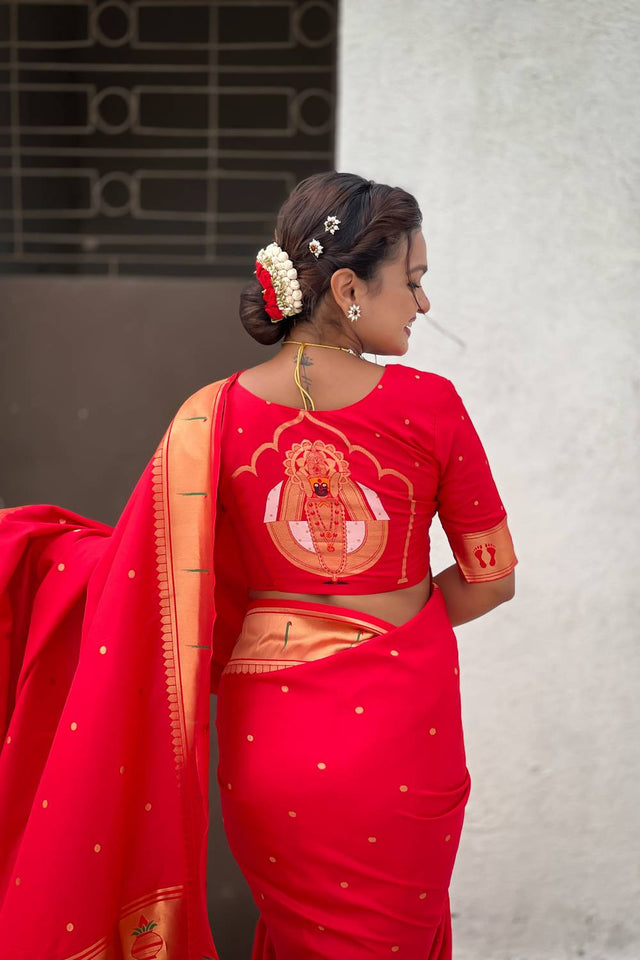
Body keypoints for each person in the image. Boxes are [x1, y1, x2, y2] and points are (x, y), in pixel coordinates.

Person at [0, 171, 516, 960]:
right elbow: (490, 576)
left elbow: (153, 574)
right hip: (403, 740)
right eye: (411, 281)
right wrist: (389, 632)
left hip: (270, 744)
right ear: (347, 287)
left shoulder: (211, 415)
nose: (423, 304)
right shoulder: (430, 405)